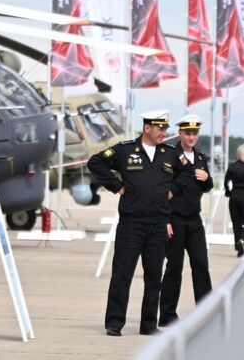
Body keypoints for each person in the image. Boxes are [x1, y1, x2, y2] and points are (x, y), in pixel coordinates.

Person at [86, 109, 180, 337]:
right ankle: (114, 323)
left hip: (158, 224)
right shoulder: (125, 150)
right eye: (160, 128)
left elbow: (183, 177)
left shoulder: (169, 154)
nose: (163, 132)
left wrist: (172, 192)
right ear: (147, 127)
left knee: (154, 277)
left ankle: (149, 325)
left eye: (165, 128)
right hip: (132, 223)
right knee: (122, 274)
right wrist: (115, 185)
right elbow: (95, 162)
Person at [160, 116, 214, 324]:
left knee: (200, 264)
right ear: (180, 133)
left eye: (195, 133)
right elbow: (164, 190)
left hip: (194, 219)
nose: (192, 137)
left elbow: (207, 186)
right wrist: (165, 220)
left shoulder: (200, 157)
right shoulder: (171, 155)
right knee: (174, 267)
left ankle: (206, 311)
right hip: (174, 219)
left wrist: (207, 179)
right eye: (187, 133)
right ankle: (167, 315)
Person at [223, 143, 244, 256]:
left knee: (236, 223)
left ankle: (239, 249)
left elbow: (226, 182)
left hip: (234, 196)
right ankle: (242, 240)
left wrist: (228, 192)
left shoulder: (232, 167)